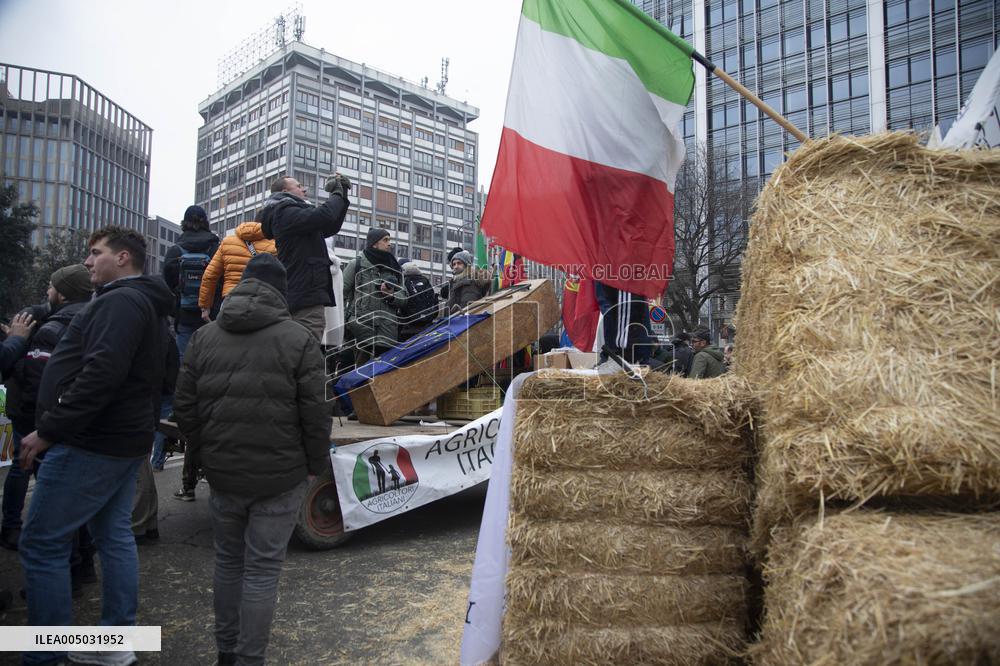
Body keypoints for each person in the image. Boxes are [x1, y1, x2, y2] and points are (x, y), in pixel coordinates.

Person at [18, 226, 173, 666]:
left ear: (123, 258)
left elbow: (102, 372)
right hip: (121, 439)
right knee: (114, 533)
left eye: (94, 253)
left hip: (92, 441)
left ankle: (45, 657)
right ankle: (114, 642)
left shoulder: (122, 301)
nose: (87, 262)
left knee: (42, 543)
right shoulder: (145, 305)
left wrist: (50, 429)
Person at [173, 253, 330, 666]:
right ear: (282, 292)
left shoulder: (204, 338)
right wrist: (315, 462)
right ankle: (250, 658)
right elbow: (315, 412)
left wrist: (204, 452)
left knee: (228, 562)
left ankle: (226, 651)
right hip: (282, 474)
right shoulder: (299, 339)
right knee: (262, 569)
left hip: (223, 472)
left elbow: (184, 407)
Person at [2, 266, 92, 553]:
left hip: (37, 418)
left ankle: (19, 531)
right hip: (64, 418)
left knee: (32, 472)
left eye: (51, 287)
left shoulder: (50, 329)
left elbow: (35, 380)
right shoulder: (91, 317)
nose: (47, 291)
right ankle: (80, 556)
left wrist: (16, 341)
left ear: (63, 294)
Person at [260, 174, 350, 340]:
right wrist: (336, 194)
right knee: (306, 345)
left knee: (304, 344)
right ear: (285, 191)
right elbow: (324, 216)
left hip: (305, 290)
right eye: (299, 186)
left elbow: (329, 225)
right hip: (304, 292)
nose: (304, 189)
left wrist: (342, 196)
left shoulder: (290, 214)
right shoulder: (284, 212)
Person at [163, 204, 221, 357]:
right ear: (206, 222)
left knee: (184, 359)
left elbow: (168, 284)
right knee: (211, 359)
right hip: (211, 314)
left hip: (185, 313)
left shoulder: (175, 251)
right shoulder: (216, 249)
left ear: (184, 223)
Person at [343, 228, 408, 365]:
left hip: (387, 330)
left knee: (384, 373)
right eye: (385, 240)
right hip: (361, 326)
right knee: (361, 372)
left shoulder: (395, 268)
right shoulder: (357, 265)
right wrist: (348, 320)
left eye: (389, 240)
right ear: (374, 243)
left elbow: (404, 298)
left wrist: (391, 295)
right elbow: (340, 293)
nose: (389, 244)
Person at [197, 220, 278, 321]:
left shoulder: (227, 242)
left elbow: (210, 275)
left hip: (231, 299)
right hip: (261, 301)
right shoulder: (275, 245)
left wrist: (205, 306)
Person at [593, 281, 654, 370]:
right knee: (611, 311)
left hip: (621, 278)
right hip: (613, 275)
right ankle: (617, 356)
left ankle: (621, 356)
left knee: (622, 309)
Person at [398, 259, 438, 340]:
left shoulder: (402, 281)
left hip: (406, 328)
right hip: (426, 327)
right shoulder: (425, 280)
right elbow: (433, 301)